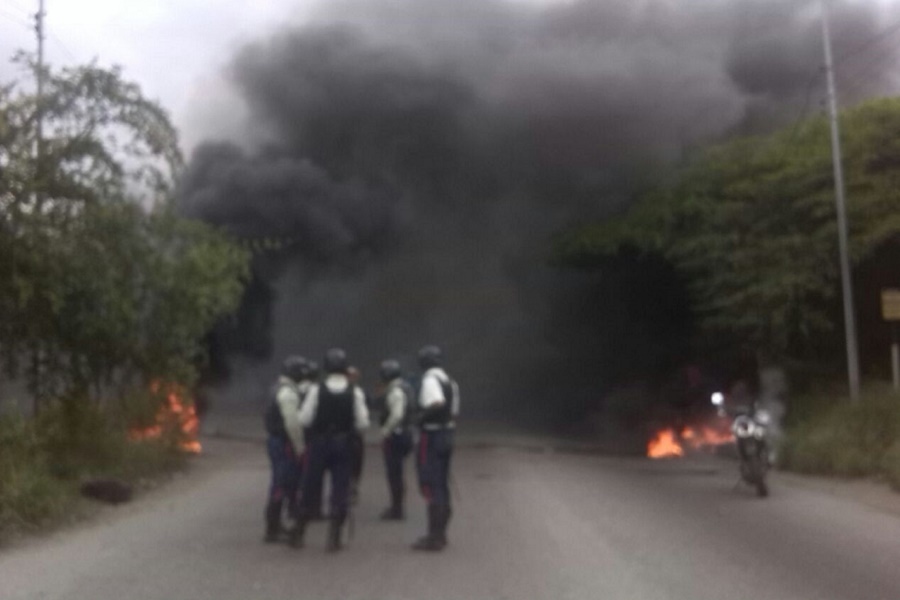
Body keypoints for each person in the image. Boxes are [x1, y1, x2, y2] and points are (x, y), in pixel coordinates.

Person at [290, 348, 369, 552]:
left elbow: (304, 419)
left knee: (309, 486)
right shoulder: (355, 392)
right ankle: (334, 537)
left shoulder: (317, 390)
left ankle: (299, 532)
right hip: (343, 445)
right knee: (340, 489)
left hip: (319, 444)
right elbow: (363, 423)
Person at [413, 345, 459, 551]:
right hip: (448, 434)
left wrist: (420, 418)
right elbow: (454, 410)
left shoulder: (431, 380)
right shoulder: (450, 381)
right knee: (442, 482)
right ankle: (441, 534)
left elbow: (437, 403)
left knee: (431, 483)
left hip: (432, 435)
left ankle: (434, 537)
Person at [263, 356, 307, 543]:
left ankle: (274, 525)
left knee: (279, 482)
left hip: (275, 441)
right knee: (283, 482)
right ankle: (272, 528)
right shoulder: (288, 393)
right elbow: (292, 423)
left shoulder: (276, 388)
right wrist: (300, 447)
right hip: (284, 442)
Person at [377, 359, 414, 520]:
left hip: (396, 435)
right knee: (397, 472)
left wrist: (385, 431)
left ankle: (397, 509)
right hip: (405, 433)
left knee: (394, 473)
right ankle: (397, 506)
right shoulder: (406, 387)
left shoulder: (395, 391)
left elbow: (397, 414)